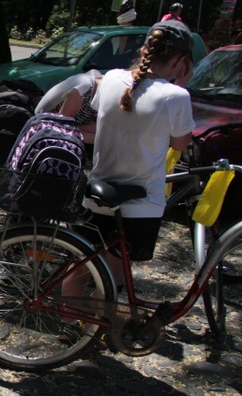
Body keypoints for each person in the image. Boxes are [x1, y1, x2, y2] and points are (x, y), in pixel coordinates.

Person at [81, 20, 194, 284]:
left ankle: (69, 319)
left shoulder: (111, 79)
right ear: (180, 61)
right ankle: (107, 323)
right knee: (114, 276)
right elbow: (180, 145)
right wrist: (182, 84)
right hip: (139, 203)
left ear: (144, 51)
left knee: (81, 266)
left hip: (98, 191)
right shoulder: (175, 96)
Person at [34, 69, 101, 144]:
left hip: (68, 128)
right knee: (101, 138)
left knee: (101, 134)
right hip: (44, 126)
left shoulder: (98, 89)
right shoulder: (85, 86)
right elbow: (61, 129)